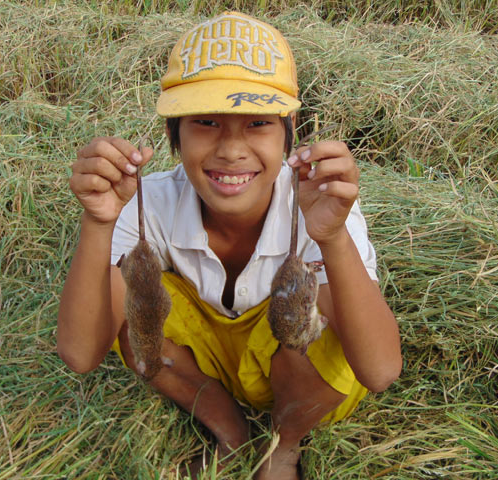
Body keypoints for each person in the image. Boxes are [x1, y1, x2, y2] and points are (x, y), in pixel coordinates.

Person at [57, 11, 402, 479]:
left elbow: (379, 371)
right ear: (173, 133)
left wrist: (334, 237)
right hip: (213, 363)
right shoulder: (146, 204)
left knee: (329, 325)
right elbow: (81, 354)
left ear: (289, 131)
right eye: (207, 121)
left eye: (258, 122)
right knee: (131, 308)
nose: (232, 150)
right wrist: (98, 223)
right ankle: (230, 431)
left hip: (291, 374)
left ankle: (284, 444)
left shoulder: (320, 206)